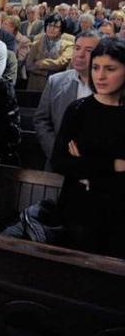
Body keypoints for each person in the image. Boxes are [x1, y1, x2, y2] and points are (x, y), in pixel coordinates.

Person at [51, 37, 125, 258]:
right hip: (78, 210)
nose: (100, 76)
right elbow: (59, 161)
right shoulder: (78, 110)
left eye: (110, 69)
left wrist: (84, 165)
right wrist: (114, 165)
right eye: (95, 67)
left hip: (119, 214)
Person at [34, 31, 101, 170]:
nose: (80, 54)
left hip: (97, 168)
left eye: (89, 50)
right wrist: (56, 151)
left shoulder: (111, 86)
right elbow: (41, 120)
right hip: (58, 165)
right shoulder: (56, 81)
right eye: (77, 48)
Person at [25, 14, 75, 91]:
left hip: (58, 85)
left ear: (61, 29)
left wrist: (41, 63)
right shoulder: (36, 43)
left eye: (56, 27)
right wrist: (47, 73)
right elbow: (29, 65)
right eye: (49, 25)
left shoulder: (68, 44)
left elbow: (61, 63)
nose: (51, 29)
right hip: (36, 85)